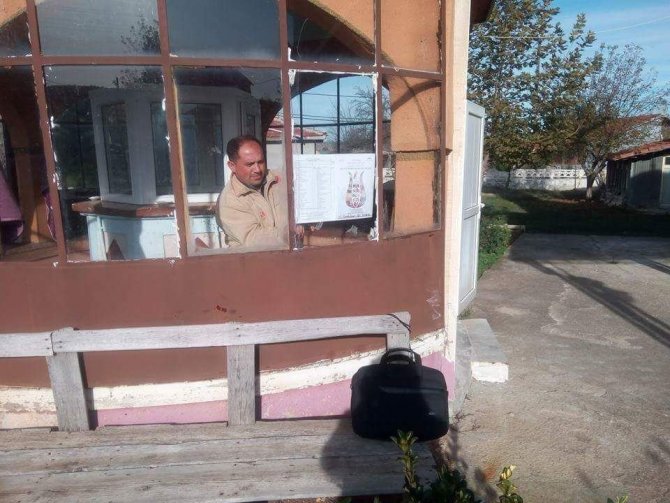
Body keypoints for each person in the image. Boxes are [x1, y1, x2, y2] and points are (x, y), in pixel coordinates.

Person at [216, 135, 290, 249]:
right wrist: (288, 234)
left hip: (290, 254)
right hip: (252, 259)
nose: (257, 169)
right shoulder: (228, 201)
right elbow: (253, 238)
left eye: (260, 162)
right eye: (250, 164)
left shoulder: (279, 180)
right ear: (232, 166)